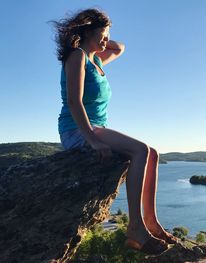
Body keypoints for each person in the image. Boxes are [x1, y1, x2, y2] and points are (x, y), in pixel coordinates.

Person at [48, 7, 178, 255]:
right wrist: (92, 141)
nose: (107, 40)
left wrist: (102, 35)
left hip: (96, 127)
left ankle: (151, 222)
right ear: (88, 31)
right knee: (140, 151)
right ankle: (136, 228)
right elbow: (75, 102)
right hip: (77, 128)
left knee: (153, 153)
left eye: (108, 34)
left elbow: (120, 48)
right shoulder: (77, 56)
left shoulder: (96, 60)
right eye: (103, 34)